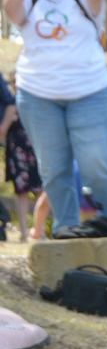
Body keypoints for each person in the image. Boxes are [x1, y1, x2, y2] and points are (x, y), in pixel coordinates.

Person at [1, 0, 107, 234]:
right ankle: (66, 229)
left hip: (89, 92)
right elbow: (10, 10)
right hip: (38, 96)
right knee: (53, 168)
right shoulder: (30, 1)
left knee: (96, 163)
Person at [1, 72, 42, 243]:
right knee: (21, 191)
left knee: (41, 190)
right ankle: (24, 231)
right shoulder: (11, 104)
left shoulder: (38, 102)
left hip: (35, 148)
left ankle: (39, 230)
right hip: (16, 149)